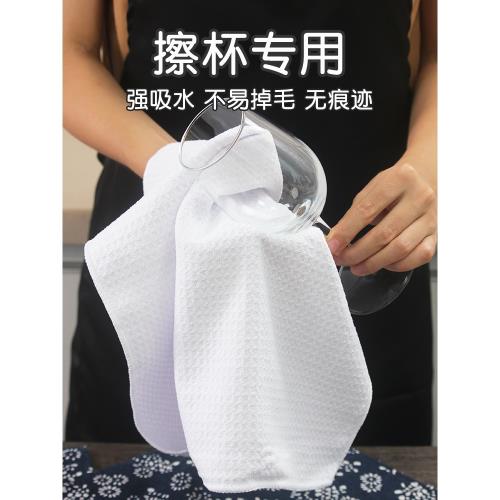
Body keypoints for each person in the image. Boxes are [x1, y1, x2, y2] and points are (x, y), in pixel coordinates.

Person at [64, 0, 437, 445]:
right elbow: (66, 54)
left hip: (365, 255)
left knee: (362, 449)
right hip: (165, 256)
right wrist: (182, 168)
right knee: (146, 448)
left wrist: (428, 164)